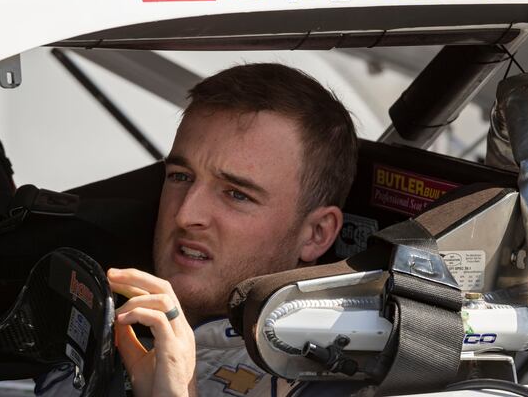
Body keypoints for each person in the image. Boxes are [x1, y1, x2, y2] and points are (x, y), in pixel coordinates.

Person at [36, 62, 358, 397]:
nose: (186, 214)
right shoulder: (84, 321)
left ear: (316, 233)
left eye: (236, 194)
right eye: (180, 177)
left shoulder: (340, 381)